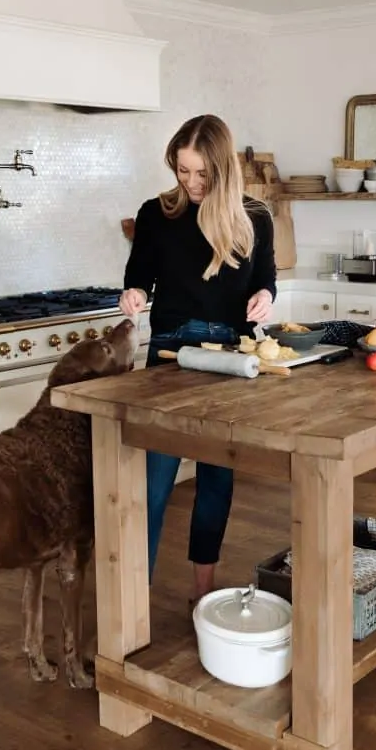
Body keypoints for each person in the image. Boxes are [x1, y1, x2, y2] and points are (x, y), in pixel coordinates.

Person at [119, 114, 276, 602]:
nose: (190, 182)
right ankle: (134, 599)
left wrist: (265, 296)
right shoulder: (155, 213)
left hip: (231, 356)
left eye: (201, 173)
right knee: (152, 484)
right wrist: (133, 293)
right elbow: (139, 273)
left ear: (222, 170)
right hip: (169, 354)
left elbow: (265, 278)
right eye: (182, 170)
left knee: (215, 480)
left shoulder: (255, 216)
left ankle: (202, 593)